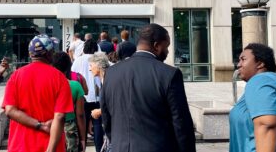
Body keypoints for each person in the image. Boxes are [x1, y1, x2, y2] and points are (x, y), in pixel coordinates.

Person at [101, 23, 196, 152]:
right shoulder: (170, 74)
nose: (167, 52)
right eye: (166, 47)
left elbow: (106, 117)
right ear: (156, 46)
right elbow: (181, 124)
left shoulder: (111, 73)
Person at [2, 34, 74, 152]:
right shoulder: (60, 78)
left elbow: (9, 110)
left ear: (31, 54)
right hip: (50, 146)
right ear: (48, 53)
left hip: (20, 146)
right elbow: (60, 116)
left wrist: (39, 125)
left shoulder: (16, 76)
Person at [229, 43, 276, 152]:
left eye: (243, 59)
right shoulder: (270, 81)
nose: (238, 65)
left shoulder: (260, 80)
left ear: (260, 63)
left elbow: (267, 124)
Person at [71, 39, 104, 152]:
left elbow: (73, 76)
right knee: (98, 124)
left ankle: (82, 148)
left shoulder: (78, 60)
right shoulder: (99, 60)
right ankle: (99, 149)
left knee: (82, 125)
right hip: (97, 97)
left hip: (82, 97)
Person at [53, 52, 86, 152]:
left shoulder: (47, 84)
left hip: (50, 126)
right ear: (68, 66)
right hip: (70, 128)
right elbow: (80, 114)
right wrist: (83, 139)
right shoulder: (76, 86)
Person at [87, 52, 111, 152]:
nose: (89, 69)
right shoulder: (104, 79)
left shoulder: (109, 80)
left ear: (98, 65)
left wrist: (100, 111)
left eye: (91, 66)